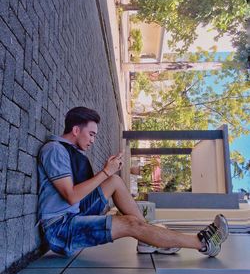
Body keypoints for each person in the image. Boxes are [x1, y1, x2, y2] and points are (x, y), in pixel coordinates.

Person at [37, 106, 229, 257]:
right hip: (60, 228)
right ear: (76, 130)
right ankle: (202, 243)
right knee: (131, 224)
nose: (93, 140)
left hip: (75, 212)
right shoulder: (55, 150)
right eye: (91, 134)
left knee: (115, 181)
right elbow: (71, 196)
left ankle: (147, 238)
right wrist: (104, 171)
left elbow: (83, 191)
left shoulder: (69, 151)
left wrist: (109, 172)